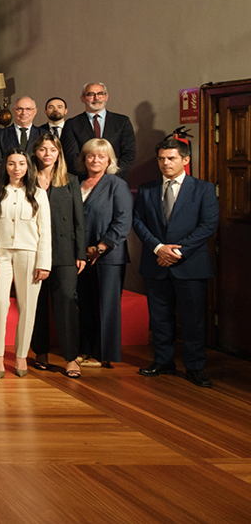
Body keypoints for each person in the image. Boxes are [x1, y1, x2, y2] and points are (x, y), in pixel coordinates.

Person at [133, 139, 220, 388]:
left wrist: (178, 252)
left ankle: (195, 367)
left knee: (193, 320)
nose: (165, 163)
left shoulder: (203, 189)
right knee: (160, 317)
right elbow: (138, 222)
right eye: (161, 158)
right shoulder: (147, 189)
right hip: (156, 262)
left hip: (190, 264)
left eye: (171, 158)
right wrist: (159, 248)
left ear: (185, 160)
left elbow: (208, 225)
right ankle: (163, 362)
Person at [0, 149, 51, 378]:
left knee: (28, 305)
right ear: (5, 166)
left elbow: (45, 231)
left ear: (27, 167)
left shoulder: (39, 194)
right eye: (11, 163)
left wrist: (44, 262)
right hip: (1, 253)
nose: (17, 168)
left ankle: (21, 355)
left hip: (30, 254)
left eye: (21, 163)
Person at [30, 132, 86, 378]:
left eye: (52, 150)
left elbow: (78, 219)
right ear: (35, 152)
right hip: (34, 249)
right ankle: (40, 351)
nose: (48, 154)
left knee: (66, 300)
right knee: (38, 302)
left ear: (59, 153)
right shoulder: (27, 179)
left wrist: (80, 252)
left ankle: (71, 357)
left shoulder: (71, 180)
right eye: (43, 149)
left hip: (65, 250)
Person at [75, 138, 132, 369]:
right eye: (91, 155)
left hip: (108, 256)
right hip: (81, 255)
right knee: (85, 304)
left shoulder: (117, 185)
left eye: (101, 156)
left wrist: (101, 247)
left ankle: (103, 354)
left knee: (106, 306)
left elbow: (123, 220)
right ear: (84, 158)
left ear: (109, 160)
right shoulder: (77, 183)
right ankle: (85, 349)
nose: (95, 160)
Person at [61, 82, 136, 183]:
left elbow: (129, 154)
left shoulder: (122, 122)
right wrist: (93, 176)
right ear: (82, 99)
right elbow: (71, 157)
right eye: (91, 94)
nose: (96, 98)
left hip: (116, 181)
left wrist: (108, 175)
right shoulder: (72, 124)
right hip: (83, 182)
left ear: (106, 97)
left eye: (100, 94)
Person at [0, 96, 48, 184]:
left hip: (37, 183)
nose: (24, 112)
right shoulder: (0, 135)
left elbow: (47, 162)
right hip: (8, 184)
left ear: (35, 111)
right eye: (20, 109)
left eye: (28, 109)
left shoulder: (44, 135)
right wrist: (12, 178)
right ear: (13, 111)